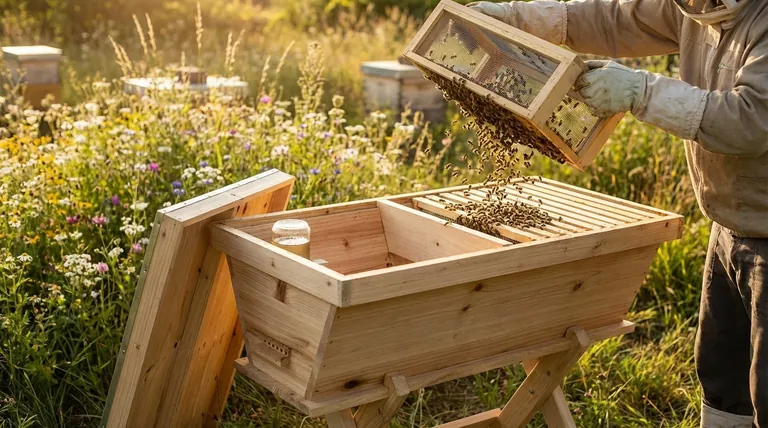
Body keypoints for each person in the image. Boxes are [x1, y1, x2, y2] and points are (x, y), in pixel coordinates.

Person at [466, 0, 768, 427]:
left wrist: (644, 92)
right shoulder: (697, 7)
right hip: (729, 223)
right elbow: (615, 19)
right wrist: (516, 18)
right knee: (722, 375)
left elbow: (753, 121)